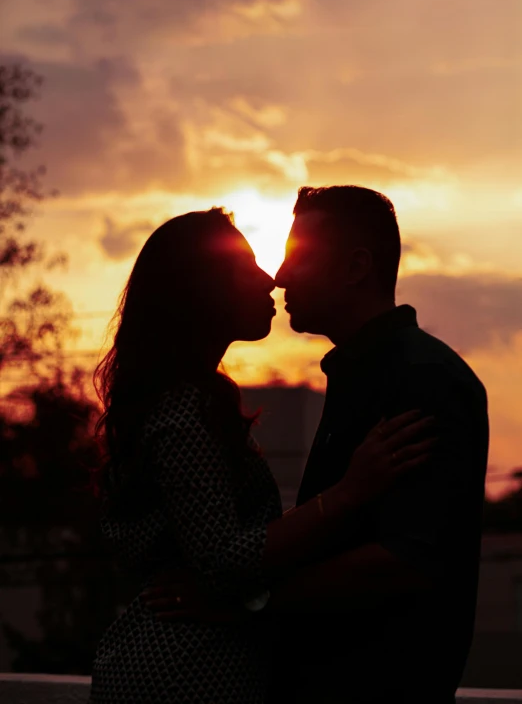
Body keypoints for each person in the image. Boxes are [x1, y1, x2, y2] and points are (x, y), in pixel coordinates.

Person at [143, 186, 489, 704]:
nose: (280, 277)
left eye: (296, 257)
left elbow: (406, 558)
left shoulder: (424, 380)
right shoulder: (361, 373)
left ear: (355, 268)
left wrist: (253, 603)